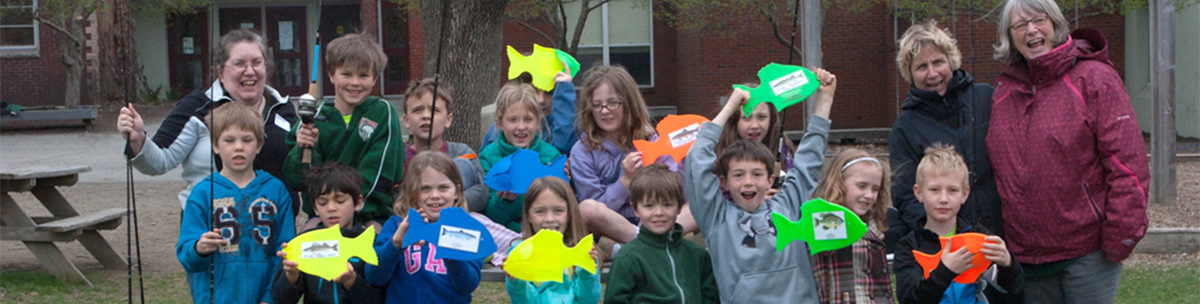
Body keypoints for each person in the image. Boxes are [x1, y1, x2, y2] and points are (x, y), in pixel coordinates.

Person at [989, 0, 1149, 302]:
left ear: (1056, 24)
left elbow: (1127, 165)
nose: (1031, 30)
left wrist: (1120, 237)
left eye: (1039, 20)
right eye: (1020, 25)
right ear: (1009, 37)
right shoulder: (1004, 93)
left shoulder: (1094, 80)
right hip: (1028, 259)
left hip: (1087, 255)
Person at [685, 68, 837, 304]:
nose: (748, 182)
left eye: (757, 174)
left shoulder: (788, 204)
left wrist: (825, 98)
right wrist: (730, 108)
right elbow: (696, 160)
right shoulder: (716, 218)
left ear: (770, 179)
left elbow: (809, 160)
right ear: (723, 182)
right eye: (738, 175)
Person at [118, 28, 298, 211]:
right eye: (239, 64)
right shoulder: (197, 107)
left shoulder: (284, 110)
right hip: (208, 228)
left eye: (257, 63)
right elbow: (159, 162)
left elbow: (302, 170)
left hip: (274, 228)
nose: (250, 71)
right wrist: (137, 139)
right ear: (220, 72)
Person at [889, 21, 1001, 250]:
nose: (932, 73)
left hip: (1002, 237)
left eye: (938, 62)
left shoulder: (986, 99)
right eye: (921, 67)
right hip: (947, 247)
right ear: (909, 73)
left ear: (951, 60)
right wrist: (942, 235)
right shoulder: (906, 126)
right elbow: (906, 196)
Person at [176, 103, 295, 304]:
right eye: (229, 140)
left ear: (259, 145)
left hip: (264, 296)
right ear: (215, 145)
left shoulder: (277, 190)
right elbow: (187, 256)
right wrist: (199, 247)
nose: (238, 147)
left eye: (247, 140)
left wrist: (271, 297)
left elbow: (284, 251)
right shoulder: (202, 193)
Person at [283, 33, 404, 230]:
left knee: (377, 248)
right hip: (323, 217)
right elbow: (298, 179)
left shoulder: (382, 112)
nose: (354, 83)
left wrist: (350, 211)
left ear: (374, 79)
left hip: (370, 214)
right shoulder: (313, 119)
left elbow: (383, 175)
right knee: (305, 244)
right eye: (346, 74)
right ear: (331, 75)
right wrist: (303, 149)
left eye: (363, 75)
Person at [570, 65, 698, 245]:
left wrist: (684, 163)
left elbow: (677, 195)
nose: (604, 111)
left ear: (629, 103)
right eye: (597, 105)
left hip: (655, 220)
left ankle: (641, 243)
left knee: (698, 205)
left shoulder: (652, 140)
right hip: (613, 225)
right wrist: (625, 182)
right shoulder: (582, 151)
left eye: (613, 103)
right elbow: (595, 206)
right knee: (586, 209)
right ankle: (647, 242)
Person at [401, 77, 522, 266]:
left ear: (449, 119)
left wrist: (454, 204)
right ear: (406, 120)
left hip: (457, 217)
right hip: (415, 220)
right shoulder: (399, 157)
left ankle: (518, 248)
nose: (426, 116)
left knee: (476, 221)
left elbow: (482, 191)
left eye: (434, 110)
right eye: (417, 110)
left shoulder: (462, 152)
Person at [895, 144, 1023, 304]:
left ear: (965, 194)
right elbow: (909, 300)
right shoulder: (909, 246)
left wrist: (1008, 264)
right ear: (919, 193)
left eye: (952, 190)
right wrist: (945, 272)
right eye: (934, 190)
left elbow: (1013, 291)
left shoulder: (980, 238)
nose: (943, 199)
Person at [365, 151, 482, 304]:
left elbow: (467, 286)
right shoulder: (396, 225)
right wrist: (395, 244)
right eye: (425, 188)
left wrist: (453, 256)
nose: (435, 195)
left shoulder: (468, 231)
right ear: (411, 192)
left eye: (443, 188)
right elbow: (375, 277)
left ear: (457, 192)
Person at [603, 164, 719, 304]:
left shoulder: (698, 256)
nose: (659, 213)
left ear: (679, 207)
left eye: (667, 204)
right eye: (649, 206)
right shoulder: (628, 257)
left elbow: (710, 298)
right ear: (636, 209)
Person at [271, 162, 383, 304]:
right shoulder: (304, 243)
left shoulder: (374, 244)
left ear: (358, 202)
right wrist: (291, 276)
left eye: (340, 200)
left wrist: (351, 282)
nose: (331, 208)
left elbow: (379, 298)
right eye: (322, 203)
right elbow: (280, 299)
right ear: (315, 208)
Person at [809, 149, 895, 303]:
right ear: (839, 183)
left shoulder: (871, 224)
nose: (869, 195)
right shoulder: (826, 220)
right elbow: (827, 249)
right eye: (862, 186)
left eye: (875, 189)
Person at [479, 82, 564, 231]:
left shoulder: (551, 155)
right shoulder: (488, 156)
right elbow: (490, 215)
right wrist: (504, 202)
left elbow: (562, 207)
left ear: (538, 121)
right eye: (513, 120)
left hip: (545, 230)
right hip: (505, 233)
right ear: (499, 122)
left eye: (528, 119)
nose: (521, 127)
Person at [504, 176, 603, 304]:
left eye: (558, 211)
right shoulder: (520, 251)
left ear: (569, 214)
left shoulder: (582, 250)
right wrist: (517, 283)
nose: (550, 218)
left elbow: (589, 299)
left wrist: (587, 273)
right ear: (528, 215)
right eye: (540, 211)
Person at [481, 59, 578, 155]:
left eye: (549, 92)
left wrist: (564, 92)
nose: (541, 100)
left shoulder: (562, 125)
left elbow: (562, 145)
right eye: (534, 91)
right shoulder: (500, 127)